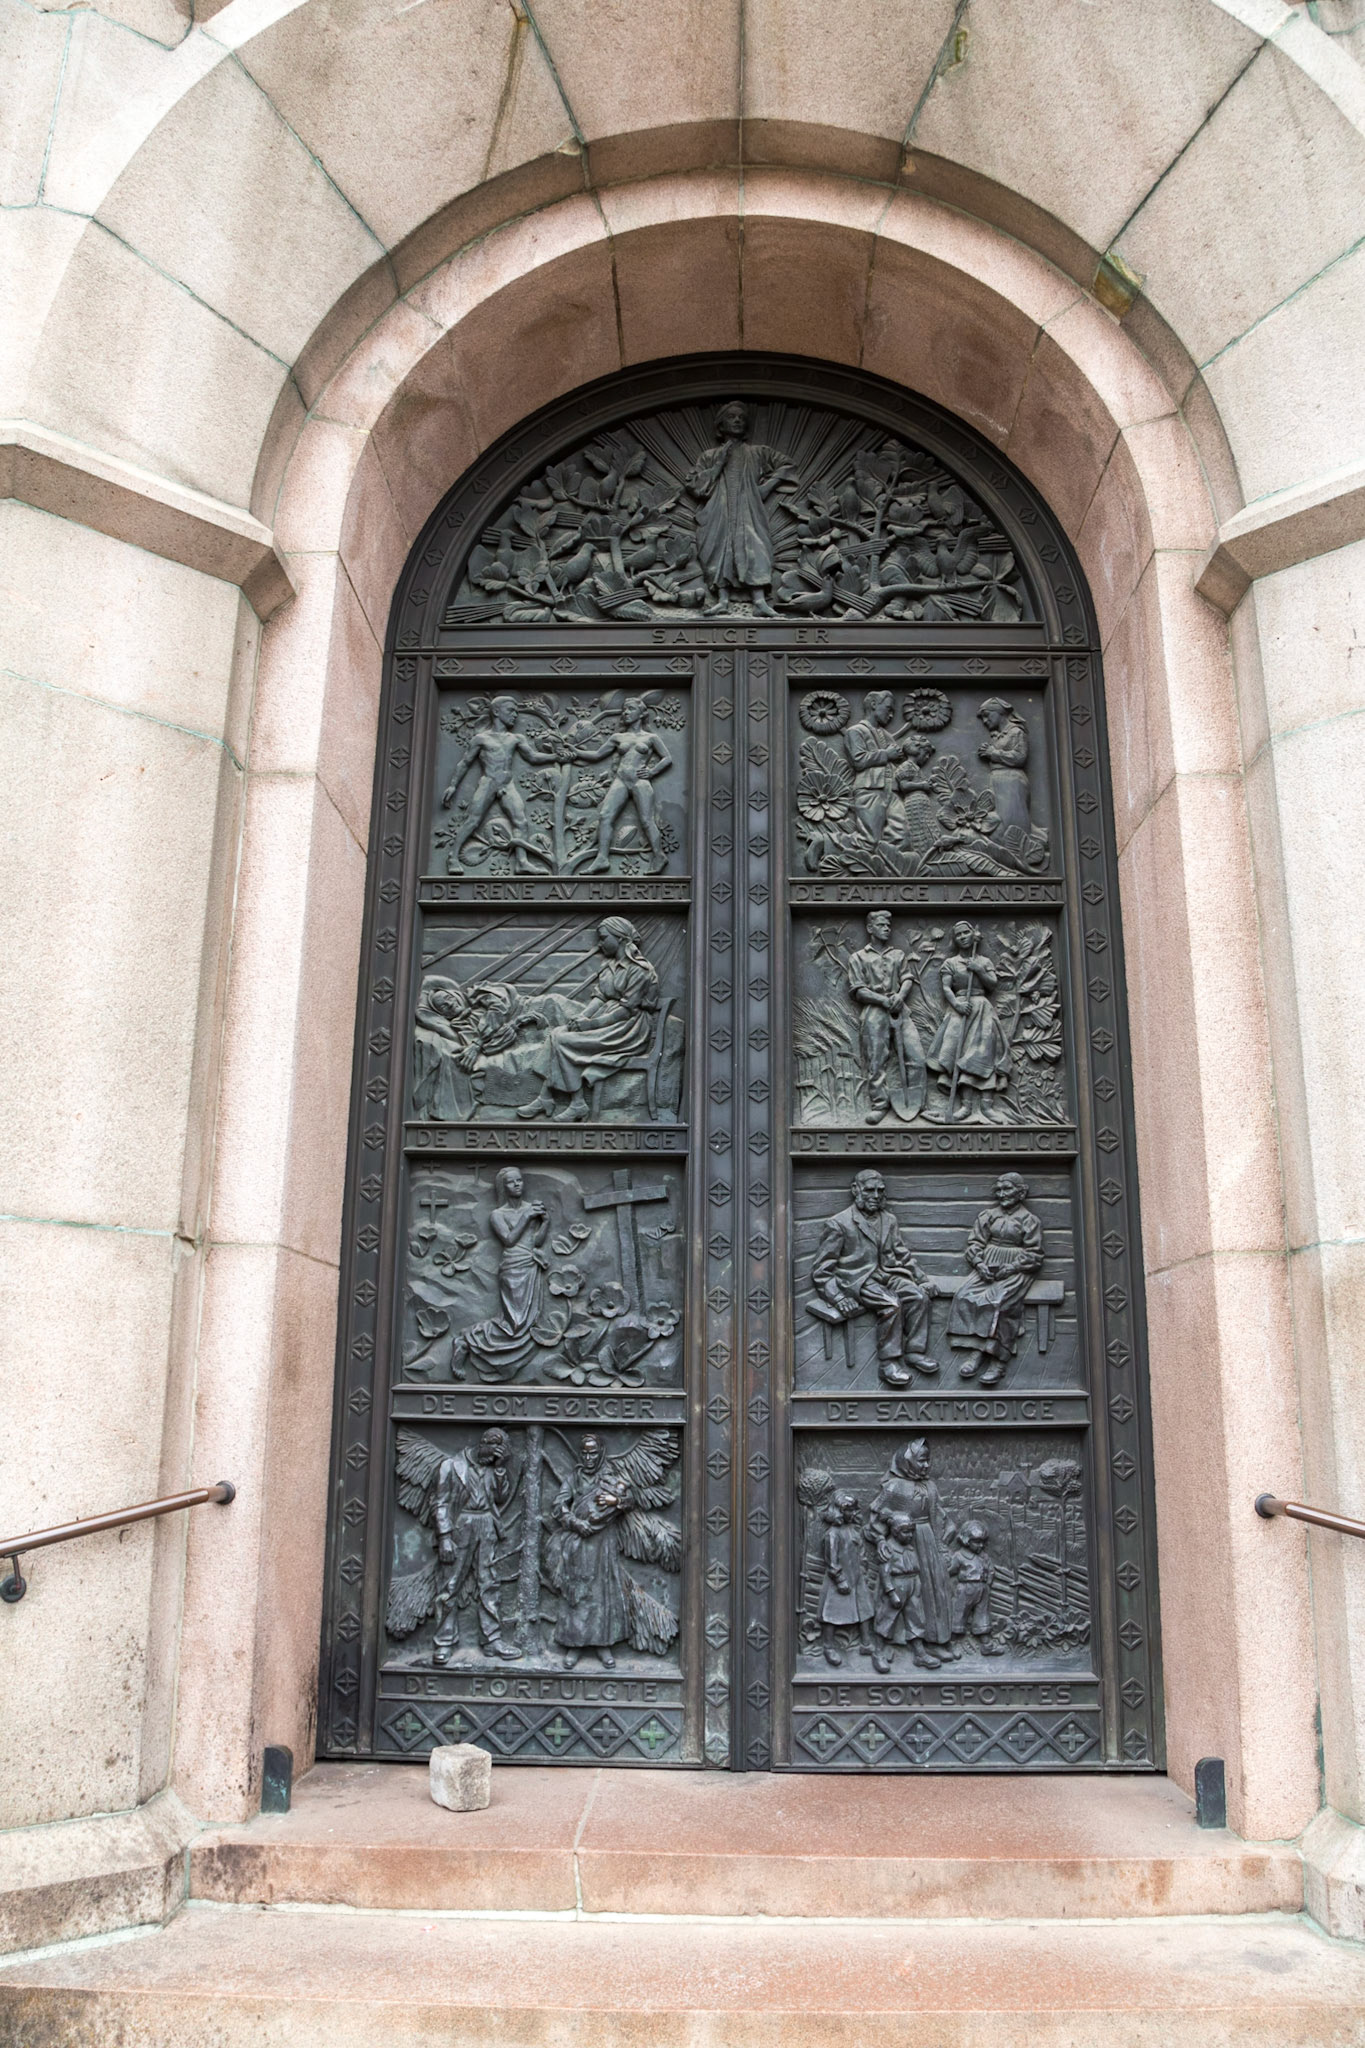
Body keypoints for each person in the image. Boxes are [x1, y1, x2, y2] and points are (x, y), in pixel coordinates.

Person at [517, 918, 660, 1122]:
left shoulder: (640, 970)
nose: (599, 944)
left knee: (565, 1041)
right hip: (608, 1019)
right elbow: (600, 997)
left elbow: (626, 1010)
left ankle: (575, 1103)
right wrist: (583, 1016)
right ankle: (547, 1098)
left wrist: (591, 1024)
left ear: (620, 938)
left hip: (629, 1028)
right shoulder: (609, 966)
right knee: (557, 1033)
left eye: (603, 938)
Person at [808, 1168, 938, 1386]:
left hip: (887, 1273)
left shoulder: (889, 1220)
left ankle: (914, 1352)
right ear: (855, 1190)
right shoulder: (838, 1223)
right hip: (856, 1280)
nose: (876, 1196)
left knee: (918, 1297)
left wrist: (921, 1279)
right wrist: (837, 1297)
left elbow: (902, 1254)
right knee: (891, 1304)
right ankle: (888, 1364)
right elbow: (821, 1269)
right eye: (869, 1190)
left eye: (880, 1191)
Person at [686, 401, 794, 614]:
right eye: (731, 417)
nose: (737, 420)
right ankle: (722, 601)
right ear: (720, 425)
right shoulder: (709, 456)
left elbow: (788, 465)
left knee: (756, 549)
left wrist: (766, 487)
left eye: (741, 418)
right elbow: (695, 486)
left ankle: (760, 602)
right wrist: (718, 464)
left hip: (749, 511)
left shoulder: (759, 452)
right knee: (719, 550)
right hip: (718, 513)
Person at [451, 1167, 550, 1382]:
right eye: (511, 1182)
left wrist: (545, 1223)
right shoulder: (498, 1214)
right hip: (512, 1267)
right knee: (513, 1322)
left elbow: (535, 1241)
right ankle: (467, 1341)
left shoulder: (530, 1209)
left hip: (530, 1266)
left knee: (529, 1320)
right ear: (503, 1188)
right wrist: (526, 1217)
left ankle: (506, 1361)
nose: (517, 1184)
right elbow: (509, 1240)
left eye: (520, 1180)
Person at [946, 1172, 1044, 1387]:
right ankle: (977, 1351)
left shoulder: (1029, 1220)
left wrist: (1012, 1267)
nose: (1002, 1194)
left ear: (1021, 1193)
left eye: (1007, 1189)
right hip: (988, 1265)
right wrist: (979, 1263)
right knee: (965, 1296)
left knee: (999, 1302)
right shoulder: (988, 1215)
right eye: (998, 1190)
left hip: (1017, 1269)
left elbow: (1035, 1254)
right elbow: (975, 1243)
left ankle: (999, 1360)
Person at [432, 1428, 519, 1664]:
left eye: (499, 1453)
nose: (494, 1457)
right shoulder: (451, 1466)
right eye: (493, 1451)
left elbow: (500, 1497)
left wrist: (500, 1468)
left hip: (487, 1524)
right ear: (484, 1443)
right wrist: (445, 1537)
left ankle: (492, 1641)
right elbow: (440, 1503)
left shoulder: (493, 1467)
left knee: (489, 1583)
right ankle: (444, 1642)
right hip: (461, 1525)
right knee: (450, 1585)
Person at [440, 696, 556, 871]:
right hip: (488, 784)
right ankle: (453, 857)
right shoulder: (481, 739)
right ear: (496, 712)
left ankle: (522, 863)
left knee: (521, 822)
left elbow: (532, 757)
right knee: (473, 821)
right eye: (510, 710)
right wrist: (453, 786)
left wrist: (555, 756)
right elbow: (465, 763)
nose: (515, 715)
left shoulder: (515, 738)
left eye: (516, 711)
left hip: (507, 785)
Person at [870, 1439, 953, 1664]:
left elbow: (938, 1514)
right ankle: (888, 1645)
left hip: (928, 1541)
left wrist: (943, 1539)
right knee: (899, 1596)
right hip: (904, 1541)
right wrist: (880, 1540)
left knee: (932, 1591)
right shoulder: (894, 1487)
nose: (926, 1465)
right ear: (907, 1461)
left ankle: (933, 1641)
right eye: (922, 1460)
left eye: (928, 1460)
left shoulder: (930, 1486)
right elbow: (876, 1519)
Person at [551, 1435, 631, 1669]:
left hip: (603, 1543)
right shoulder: (573, 1478)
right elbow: (558, 1505)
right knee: (577, 1592)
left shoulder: (610, 1478)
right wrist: (575, 1523)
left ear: (600, 1453)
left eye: (592, 1453)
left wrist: (615, 1501)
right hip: (579, 1541)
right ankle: (574, 1645)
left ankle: (603, 1644)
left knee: (601, 1593)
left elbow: (630, 1500)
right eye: (584, 1453)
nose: (588, 1458)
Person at [572, 696, 674, 873]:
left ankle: (659, 856)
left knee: (646, 820)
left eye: (630, 709)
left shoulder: (651, 737)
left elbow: (667, 758)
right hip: (620, 780)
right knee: (605, 816)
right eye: (624, 710)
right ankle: (602, 859)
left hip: (640, 782)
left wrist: (652, 772)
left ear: (641, 713)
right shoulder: (618, 737)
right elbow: (597, 755)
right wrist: (574, 751)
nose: (626, 713)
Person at [925, 922, 1012, 1121]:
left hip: (982, 1009)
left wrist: (979, 970)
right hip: (960, 1010)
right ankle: (965, 1106)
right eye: (959, 935)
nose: (963, 936)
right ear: (955, 940)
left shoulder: (984, 961)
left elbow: (992, 984)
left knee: (984, 1054)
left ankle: (987, 1106)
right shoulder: (951, 963)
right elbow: (946, 988)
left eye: (966, 932)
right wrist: (957, 1004)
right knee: (961, 1054)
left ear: (973, 935)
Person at [845, 911, 927, 1123]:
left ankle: (919, 1104)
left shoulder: (898, 955)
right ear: (870, 928)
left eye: (888, 925)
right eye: (881, 925)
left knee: (917, 1057)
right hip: (874, 1012)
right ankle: (880, 1104)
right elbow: (858, 990)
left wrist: (900, 996)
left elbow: (907, 978)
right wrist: (883, 1000)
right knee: (876, 1060)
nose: (887, 928)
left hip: (900, 1009)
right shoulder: (858, 957)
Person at [842, 690, 908, 843]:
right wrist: (886, 754)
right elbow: (858, 760)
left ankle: (889, 859)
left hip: (892, 789)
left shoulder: (886, 735)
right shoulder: (855, 731)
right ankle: (825, 842)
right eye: (888, 708)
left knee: (903, 836)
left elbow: (896, 757)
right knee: (870, 840)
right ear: (873, 705)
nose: (891, 715)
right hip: (869, 789)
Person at [819, 1492, 874, 1667]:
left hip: (857, 1577)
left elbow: (860, 1551)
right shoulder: (833, 1534)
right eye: (849, 1510)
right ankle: (828, 1646)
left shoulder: (852, 1530)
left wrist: (863, 1568)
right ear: (839, 1511)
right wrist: (840, 1579)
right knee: (832, 1612)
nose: (853, 1513)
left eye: (853, 1510)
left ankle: (866, 1643)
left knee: (864, 1609)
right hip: (839, 1580)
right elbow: (831, 1561)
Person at [976, 698, 1035, 850]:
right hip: (999, 781)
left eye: (987, 715)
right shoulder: (999, 735)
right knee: (1001, 819)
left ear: (999, 712)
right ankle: (1005, 850)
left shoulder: (1016, 732)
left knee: (1013, 819)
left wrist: (993, 753)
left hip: (1011, 782)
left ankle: (1021, 849)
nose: (985, 721)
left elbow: (1020, 757)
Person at [871, 1510, 923, 1674]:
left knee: (916, 1618)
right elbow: (884, 1573)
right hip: (896, 1585)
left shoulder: (910, 1547)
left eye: (911, 1531)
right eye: (906, 1532)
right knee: (886, 1618)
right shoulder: (888, 1548)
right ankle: (878, 1652)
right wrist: (891, 1592)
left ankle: (919, 1652)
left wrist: (917, 1585)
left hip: (912, 1584)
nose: (910, 1535)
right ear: (894, 1532)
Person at [949, 1521, 1004, 1655]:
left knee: (982, 1615)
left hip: (982, 1589)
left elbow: (990, 1570)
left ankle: (986, 1645)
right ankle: (951, 1644)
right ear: (966, 1541)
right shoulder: (959, 1556)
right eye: (977, 1542)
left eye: (982, 1542)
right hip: (965, 1589)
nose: (981, 1545)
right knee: (959, 1615)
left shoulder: (984, 1556)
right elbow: (950, 1571)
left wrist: (987, 1583)